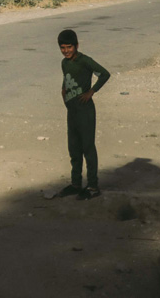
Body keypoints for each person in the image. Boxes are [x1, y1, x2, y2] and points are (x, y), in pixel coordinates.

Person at [57, 29, 110, 200]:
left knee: (88, 147)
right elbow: (66, 77)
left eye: (69, 47)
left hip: (85, 111)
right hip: (71, 111)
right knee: (74, 148)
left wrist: (91, 92)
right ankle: (75, 184)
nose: (66, 51)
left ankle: (93, 186)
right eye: (62, 47)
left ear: (76, 46)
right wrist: (63, 89)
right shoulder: (64, 63)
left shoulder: (85, 61)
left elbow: (104, 74)